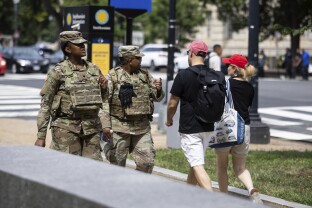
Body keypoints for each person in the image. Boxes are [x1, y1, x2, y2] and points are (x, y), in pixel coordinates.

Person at [34, 31, 104, 161]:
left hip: (91, 129)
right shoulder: (57, 72)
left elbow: (103, 100)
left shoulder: (94, 69)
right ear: (67, 49)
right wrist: (41, 136)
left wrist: (105, 88)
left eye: (83, 44)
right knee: (66, 169)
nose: (83, 47)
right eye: (78, 44)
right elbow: (46, 104)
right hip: (65, 129)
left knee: (93, 170)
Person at [166, 40, 224, 191]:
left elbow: (172, 103)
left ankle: (212, 200)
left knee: (197, 165)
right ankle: (188, 196)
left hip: (190, 127)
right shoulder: (214, 75)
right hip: (208, 125)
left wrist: (169, 119)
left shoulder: (184, 75)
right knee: (195, 162)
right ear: (205, 55)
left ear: (191, 53)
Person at [100, 45, 165, 173]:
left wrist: (158, 89)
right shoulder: (113, 76)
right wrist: (105, 125)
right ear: (129, 60)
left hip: (142, 128)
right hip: (120, 128)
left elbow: (158, 98)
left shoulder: (145, 75)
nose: (141, 61)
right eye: (138, 58)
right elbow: (104, 101)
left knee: (147, 162)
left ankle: (137, 187)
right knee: (117, 164)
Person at [215, 54, 263, 204]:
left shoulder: (226, 84)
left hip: (227, 127)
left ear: (234, 68)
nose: (226, 67)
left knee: (222, 166)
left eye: (229, 65)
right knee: (240, 168)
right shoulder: (249, 87)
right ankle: (251, 190)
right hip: (244, 128)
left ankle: (223, 198)